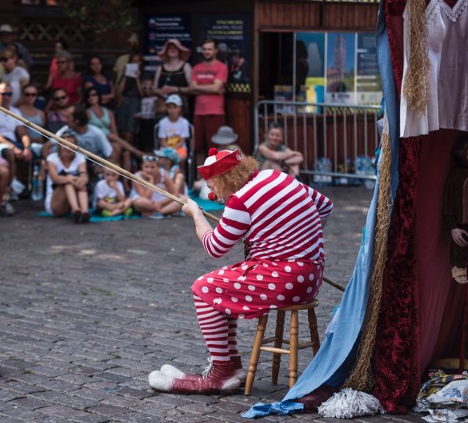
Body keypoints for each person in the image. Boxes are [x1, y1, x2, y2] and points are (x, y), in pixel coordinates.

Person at [148, 147, 333, 394]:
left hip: (285, 280)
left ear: (221, 181)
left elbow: (214, 247)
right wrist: (300, 240)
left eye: (212, 187)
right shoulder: (275, 175)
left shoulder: (240, 201)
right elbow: (325, 206)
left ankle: (220, 373)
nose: (214, 194)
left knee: (203, 288)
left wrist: (195, 214)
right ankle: (232, 366)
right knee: (223, 283)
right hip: (311, 276)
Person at [0, 82, 32, 200]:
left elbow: (23, 133)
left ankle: (25, 188)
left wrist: (27, 148)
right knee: (10, 153)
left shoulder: (15, 111)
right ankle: (8, 189)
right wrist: (13, 147)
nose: (7, 97)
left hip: (13, 142)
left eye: (9, 94)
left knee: (33, 154)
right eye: (4, 94)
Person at [85, 87, 144, 174]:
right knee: (114, 141)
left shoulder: (108, 112)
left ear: (98, 96)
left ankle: (122, 181)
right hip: (97, 139)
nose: (91, 97)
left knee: (123, 150)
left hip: (111, 138)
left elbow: (114, 130)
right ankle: (136, 152)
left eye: (94, 95)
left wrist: (114, 137)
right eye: (88, 96)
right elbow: (88, 130)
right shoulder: (87, 113)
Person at [188, 39, 229, 159]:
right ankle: (199, 176)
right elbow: (192, 88)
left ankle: (215, 177)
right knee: (198, 147)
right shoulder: (197, 67)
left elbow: (216, 88)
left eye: (210, 49)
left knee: (215, 147)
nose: (207, 51)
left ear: (215, 51)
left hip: (215, 111)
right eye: (205, 49)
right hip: (199, 112)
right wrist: (210, 88)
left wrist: (198, 88)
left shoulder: (221, 67)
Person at [45, 133, 91, 223]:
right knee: (67, 182)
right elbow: (55, 178)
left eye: (70, 145)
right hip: (56, 202)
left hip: (74, 193)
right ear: (59, 146)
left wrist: (81, 180)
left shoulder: (80, 158)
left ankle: (84, 212)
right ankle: (75, 210)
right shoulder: (52, 159)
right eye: (64, 144)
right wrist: (70, 179)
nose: (67, 148)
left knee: (81, 184)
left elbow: (84, 175)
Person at [444, 134, 468, 284]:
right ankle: (459, 267)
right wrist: (452, 226)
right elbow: (449, 202)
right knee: (460, 242)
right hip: (462, 220)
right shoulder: (456, 175)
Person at [130, 154, 183, 219]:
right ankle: (167, 210)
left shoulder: (163, 173)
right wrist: (151, 179)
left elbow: (175, 193)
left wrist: (161, 203)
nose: (149, 170)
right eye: (146, 167)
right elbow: (146, 197)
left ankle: (158, 212)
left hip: (161, 200)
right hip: (146, 201)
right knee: (140, 202)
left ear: (158, 168)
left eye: (152, 167)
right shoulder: (137, 176)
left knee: (184, 199)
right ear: (142, 167)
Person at [153, 39, 192, 117]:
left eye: (175, 48)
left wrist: (175, 89)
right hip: (163, 108)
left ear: (179, 50)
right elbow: (154, 89)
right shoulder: (160, 68)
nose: (172, 50)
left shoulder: (186, 67)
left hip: (180, 109)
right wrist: (160, 91)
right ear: (166, 51)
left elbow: (192, 88)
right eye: (170, 48)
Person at [116, 52, 143, 147]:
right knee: (122, 128)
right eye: (133, 61)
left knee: (131, 129)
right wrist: (125, 75)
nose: (135, 63)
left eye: (137, 61)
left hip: (135, 103)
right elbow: (119, 91)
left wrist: (137, 78)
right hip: (124, 102)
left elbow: (142, 93)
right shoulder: (125, 77)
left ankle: (128, 151)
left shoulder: (143, 75)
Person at [17, 83, 48, 159]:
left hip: (41, 145)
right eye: (27, 94)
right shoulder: (18, 111)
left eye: (33, 94)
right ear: (23, 95)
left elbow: (43, 132)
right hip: (27, 145)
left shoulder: (41, 113)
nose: (30, 97)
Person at [157, 94, 190, 161]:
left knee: (180, 157)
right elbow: (162, 141)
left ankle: (180, 171)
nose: (172, 110)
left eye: (175, 107)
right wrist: (170, 150)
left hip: (180, 148)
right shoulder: (162, 122)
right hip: (165, 148)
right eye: (170, 107)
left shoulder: (184, 122)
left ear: (179, 108)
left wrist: (173, 150)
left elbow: (182, 141)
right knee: (163, 160)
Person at [138, 77, 158, 152]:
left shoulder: (155, 98)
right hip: (143, 121)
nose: (147, 90)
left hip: (151, 121)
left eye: (150, 88)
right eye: (145, 88)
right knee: (143, 141)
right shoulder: (142, 98)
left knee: (150, 141)